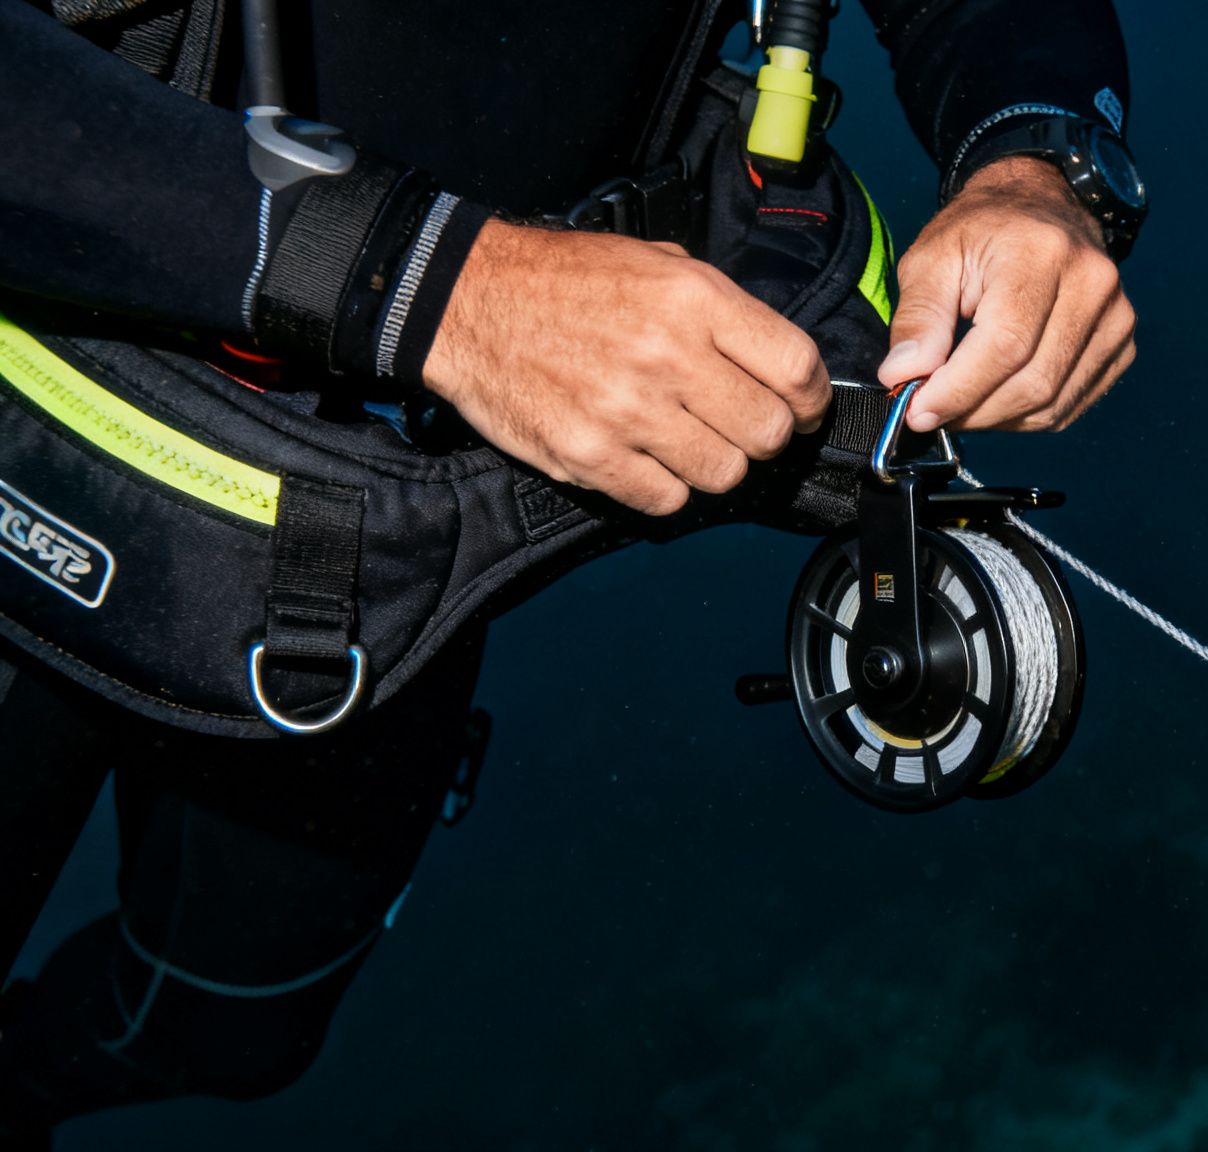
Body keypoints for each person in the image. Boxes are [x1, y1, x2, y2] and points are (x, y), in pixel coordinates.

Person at [0, 0, 1143, 1142]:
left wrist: (1032, 157)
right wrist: (444, 287)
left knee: (231, 1025)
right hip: (43, 394)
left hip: (404, 508)